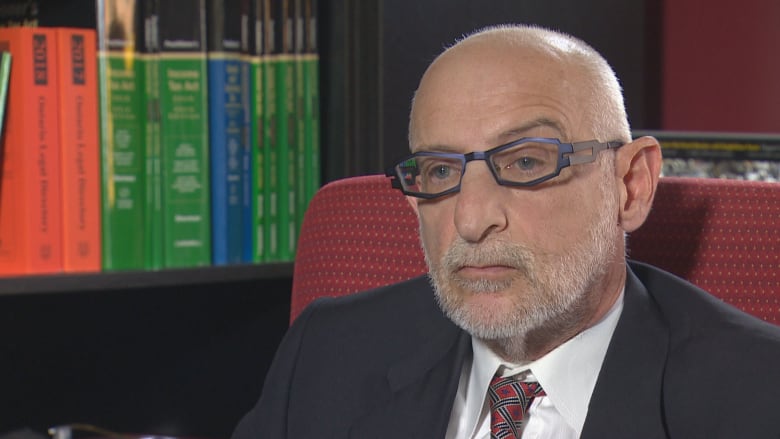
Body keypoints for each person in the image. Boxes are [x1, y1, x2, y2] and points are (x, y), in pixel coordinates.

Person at [231, 24, 780, 438]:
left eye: (524, 163)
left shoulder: (758, 396)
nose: (470, 220)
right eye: (441, 172)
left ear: (630, 186)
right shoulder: (328, 353)